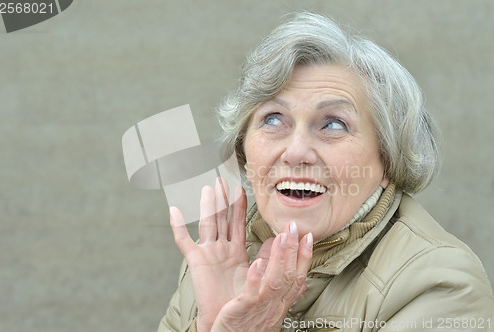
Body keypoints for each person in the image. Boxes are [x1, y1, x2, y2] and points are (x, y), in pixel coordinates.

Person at [159, 12, 494, 332]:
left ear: (388, 160)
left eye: (333, 124)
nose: (296, 152)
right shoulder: (214, 264)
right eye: (273, 119)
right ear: (244, 147)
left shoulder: (438, 284)